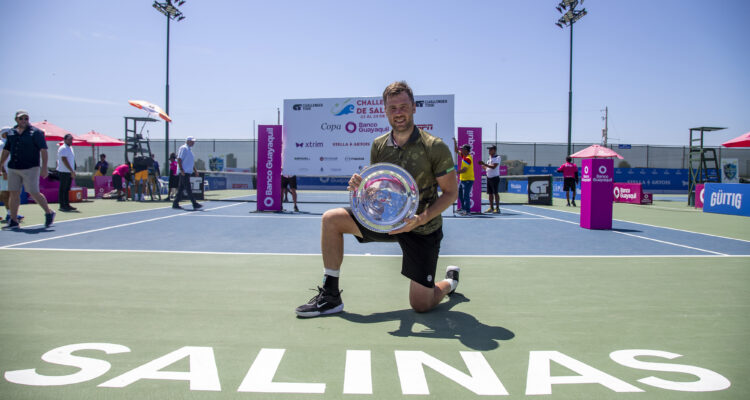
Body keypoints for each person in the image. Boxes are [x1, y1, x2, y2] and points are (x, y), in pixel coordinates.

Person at [295, 81, 460, 318]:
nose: (399, 113)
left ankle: (449, 283)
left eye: (403, 106)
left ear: (414, 107)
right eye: (393, 108)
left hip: (422, 228)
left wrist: (421, 219)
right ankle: (330, 296)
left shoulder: (434, 146)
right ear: (385, 111)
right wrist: (362, 187)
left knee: (421, 304)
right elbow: (379, 187)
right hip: (386, 222)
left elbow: (451, 193)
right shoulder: (379, 145)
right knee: (331, 219)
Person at [0, 110, 55, 229]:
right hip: (13, 168)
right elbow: (6, 150)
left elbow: (43, 150)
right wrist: (1, 164)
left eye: (26, 118)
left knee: (33, 192)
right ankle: (14, 221)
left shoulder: (36, 133)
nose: (24, 121)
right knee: (14, 193)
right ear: (16, 120)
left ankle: (49, 212)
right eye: (21, 119)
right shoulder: (11, 133)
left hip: (31, 168)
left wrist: (44, 167)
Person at [0, 127, 23, 223]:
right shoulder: (1, 144)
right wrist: (4, 172)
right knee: (5, 194)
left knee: (10, 194)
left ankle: (12, 213)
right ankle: (10, 214)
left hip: (12, 172)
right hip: (4, 173)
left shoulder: (10, 143)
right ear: (4, 134)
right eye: (8, 133)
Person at [172, 136, 202, 210]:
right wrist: (181, 170)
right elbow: (179, 159)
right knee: (188, 188)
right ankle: (194, 203)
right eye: (192, 141)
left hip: (187, 172)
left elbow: (191, 163)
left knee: (181, 188)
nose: (193, 143)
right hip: (184, 172)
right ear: (188, 141)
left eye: (193, 141)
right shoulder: (183, 148)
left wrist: (195, 170)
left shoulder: (189, 150)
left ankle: (175, 203)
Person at [56, 133, 77, 211]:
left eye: (71, 139)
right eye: (69, 139)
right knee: (63, 188)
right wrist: (71, 170)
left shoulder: (70, 148)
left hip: (69, 172)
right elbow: (64, 160)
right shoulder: (63, 148)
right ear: (65, 140)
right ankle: (62, 205)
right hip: (63, 171)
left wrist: (73, 170)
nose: (71, 141)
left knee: (67, 188)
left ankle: (67, 204)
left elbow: (71, 160)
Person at [453, 141, 474, 215]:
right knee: (460, 194)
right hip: (462, 180)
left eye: (462, 149)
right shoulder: (464, 156)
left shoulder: (468, 158)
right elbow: (456, 151)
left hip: (468, 180)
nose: (461, 150)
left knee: (466, 196)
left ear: (466, 150)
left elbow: (464, 170)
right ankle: (463, 208)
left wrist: (455, 172)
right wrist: (455, 143)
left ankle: (467, 211)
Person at [479, 144, 502, 213]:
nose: (489, 151)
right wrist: (482, 166)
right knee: (490, 194)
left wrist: (485, 164)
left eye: (490, 149)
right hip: (488, 178)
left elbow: (493, 166)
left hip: (495, 178)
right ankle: (491, 208)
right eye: (489, 149)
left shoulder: (497, 157)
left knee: (495, 193)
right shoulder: (489, 158)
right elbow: (487, 168)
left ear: (494, 150)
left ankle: (497, 208)